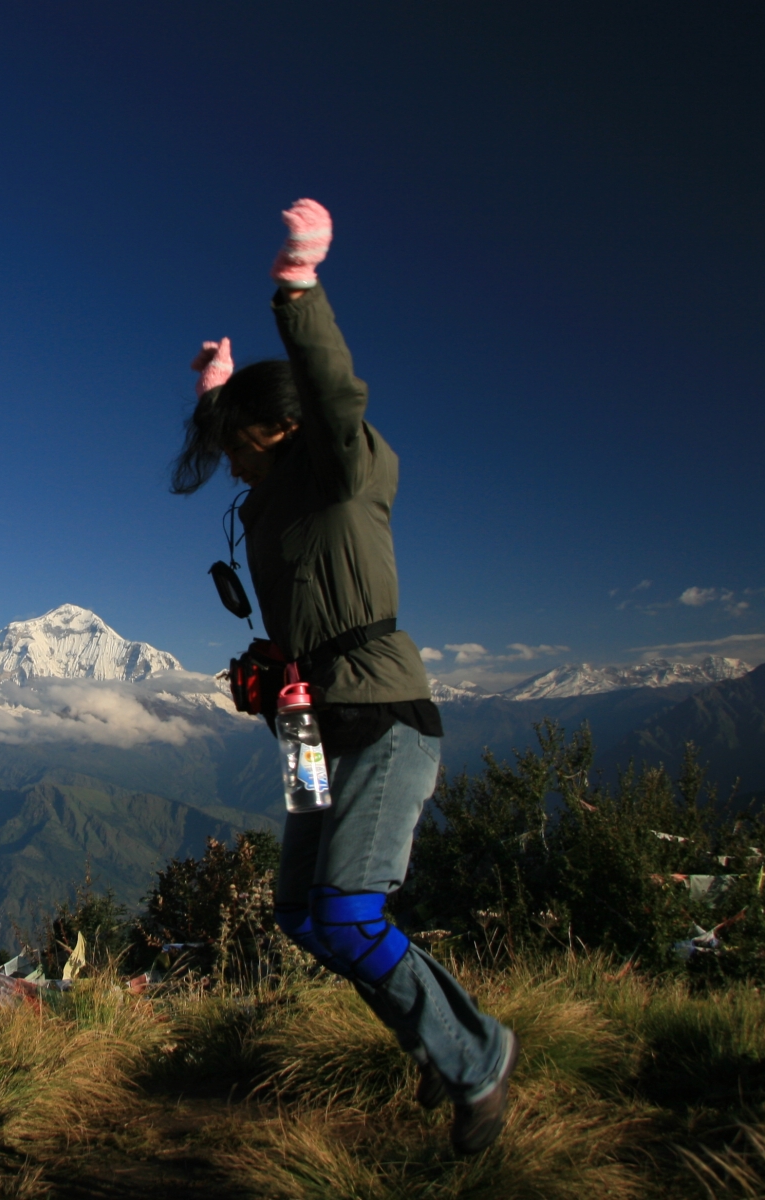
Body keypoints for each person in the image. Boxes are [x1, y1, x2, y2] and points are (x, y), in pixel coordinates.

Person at [171, 199, 519, 1155]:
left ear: (275, 431)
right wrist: (215, 390)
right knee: (300, 914)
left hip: (380, 715)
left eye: (238, 442)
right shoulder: (271, 498)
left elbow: (333, 395)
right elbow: (243, 430)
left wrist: (298, 290)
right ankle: (444, 1043)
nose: (229, 463)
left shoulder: (342, 472)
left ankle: (476, 1064)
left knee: (348, 912)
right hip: (307, 728)